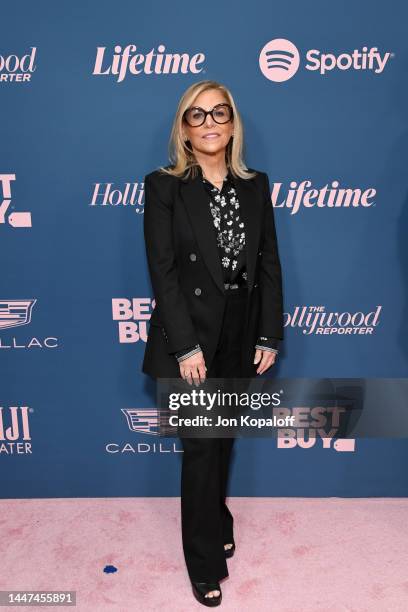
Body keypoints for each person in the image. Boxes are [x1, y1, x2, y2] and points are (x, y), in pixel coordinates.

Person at [142, 80, 284, 606]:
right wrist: (186, 347)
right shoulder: (164, 186)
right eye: (196, 115)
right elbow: (164, 272)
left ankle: (217, 514)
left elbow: (269, 262)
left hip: (241, 334)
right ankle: (203, 563)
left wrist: (269, 332)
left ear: (232, 122)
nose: (208, 123)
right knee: (201, 451)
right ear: (183, 128)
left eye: (218, 113)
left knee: (221, 440)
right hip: (191, 338)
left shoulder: (255, 185)